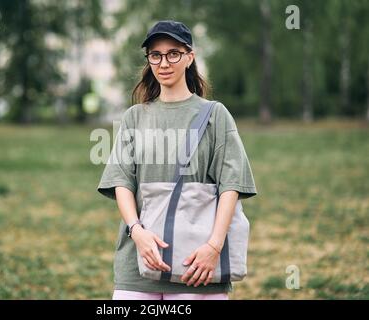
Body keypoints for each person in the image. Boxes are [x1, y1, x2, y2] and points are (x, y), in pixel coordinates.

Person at [97, 20, 258, 300]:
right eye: (155, 55)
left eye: (173, 53)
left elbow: (231, 185)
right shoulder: (135, 116)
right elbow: (122, 181)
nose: (164, 63)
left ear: (189, 57)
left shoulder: (215, 115)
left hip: (197, 264)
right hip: (138, 262)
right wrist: (137, 232)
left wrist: (214, 247)